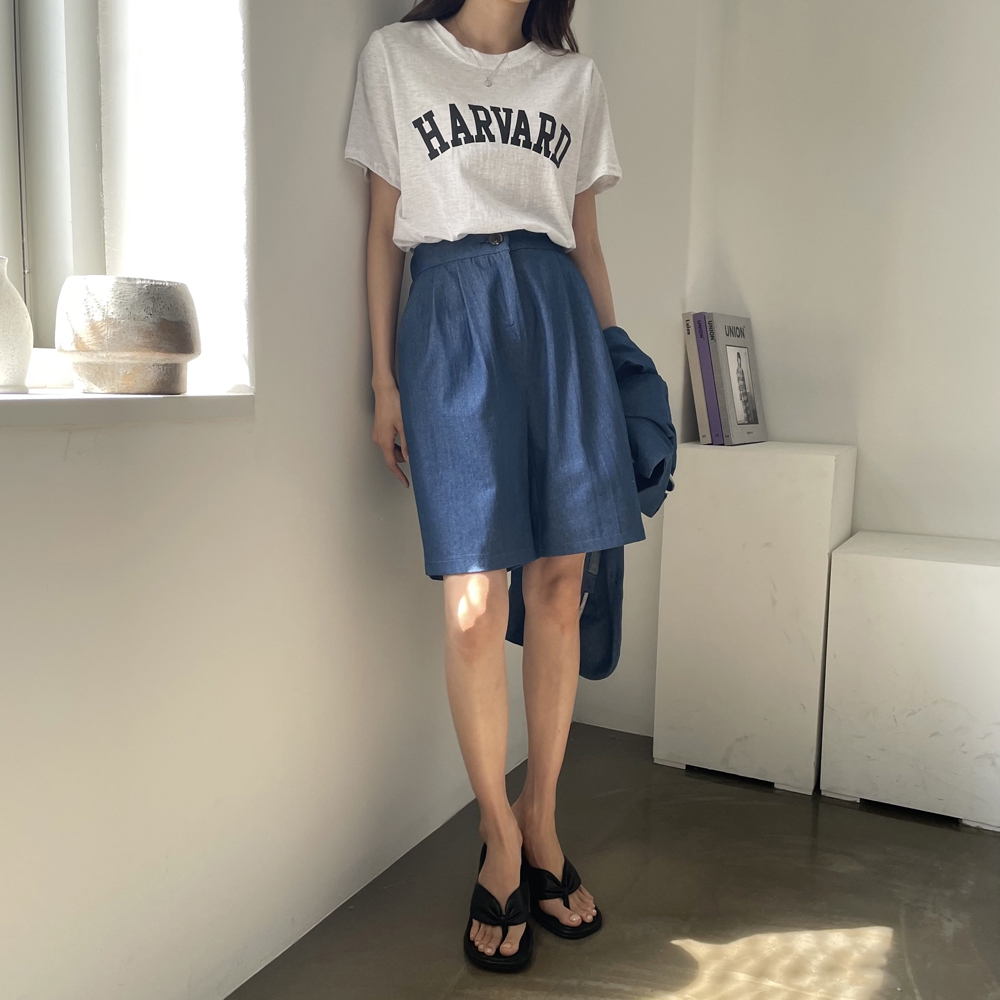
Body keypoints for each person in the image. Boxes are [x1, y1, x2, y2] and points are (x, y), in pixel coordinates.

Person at [346, 0, 644, 973]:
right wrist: (384, 381)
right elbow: (382, 227)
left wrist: (620, 370)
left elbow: (585, 241)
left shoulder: (573, 78)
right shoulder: (396, 57)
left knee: (562, 583)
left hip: (558, 319)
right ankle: (498, 832)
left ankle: (540, 819)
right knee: (474, 601)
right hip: (450, 314)